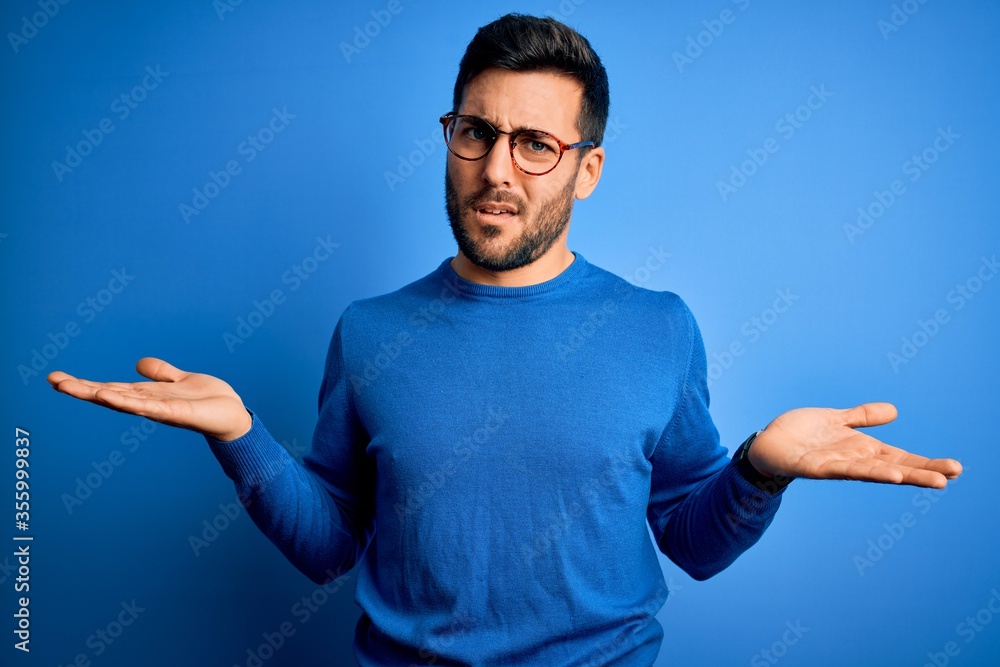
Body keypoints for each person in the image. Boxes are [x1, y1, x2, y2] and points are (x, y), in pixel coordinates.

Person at [48, 13, 962, 667]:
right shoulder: (368, 331)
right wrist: (240, 436)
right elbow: (331, 543)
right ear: (447, 136)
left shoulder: (658, 327)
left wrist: (760, 467)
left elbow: (693, 541)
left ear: (587, 169)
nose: (495, 169)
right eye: (475, 132)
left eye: (535, 144)